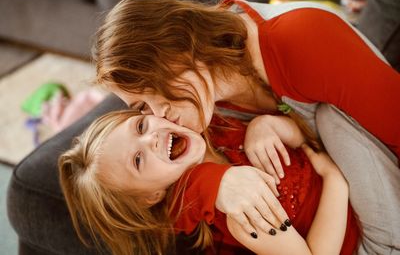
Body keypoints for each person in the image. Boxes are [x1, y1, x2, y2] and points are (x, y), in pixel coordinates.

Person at [92, 0, 400, 251]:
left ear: (183, 49)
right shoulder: (196, 112)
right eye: (141, 107)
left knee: (328, 116)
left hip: (383, 212)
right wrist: (215, 184)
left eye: (156, 91)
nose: (158, 115)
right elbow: (148, 195)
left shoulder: (301, 40)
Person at [58, 109, 360, 255]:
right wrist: (335, 180)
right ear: (151, 196)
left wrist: (266, 126)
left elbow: (303, 136)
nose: (151, 138)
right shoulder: (240, 215)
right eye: (137, 160)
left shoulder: (214, 129)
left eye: (140, 125)